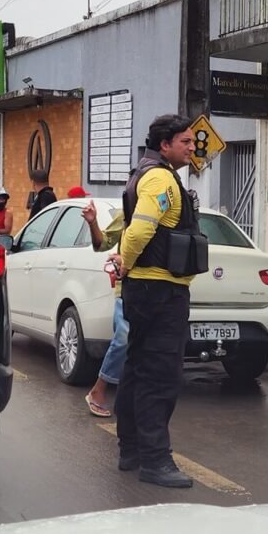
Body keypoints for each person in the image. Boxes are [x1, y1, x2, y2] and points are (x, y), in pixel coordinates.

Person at [115, 114, 206, 489]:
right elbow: (139, 229)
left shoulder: (145, 174)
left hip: (149, 289)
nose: (192, 147)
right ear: (165, 144)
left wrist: (125, 265)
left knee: (137, 369)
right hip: (160, 290)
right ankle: (155, 460)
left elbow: (122, 226)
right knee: (161, 375)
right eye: (185, 141)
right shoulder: (160, 178)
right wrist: (125, 264)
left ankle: (131, 450)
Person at [81, 200, 127, 418]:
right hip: (128, 289)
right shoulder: (128, 212)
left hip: (155, 289)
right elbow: (102, 243)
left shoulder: (166, 209)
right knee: (124, 338)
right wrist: (93, 222)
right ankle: (98, 390)